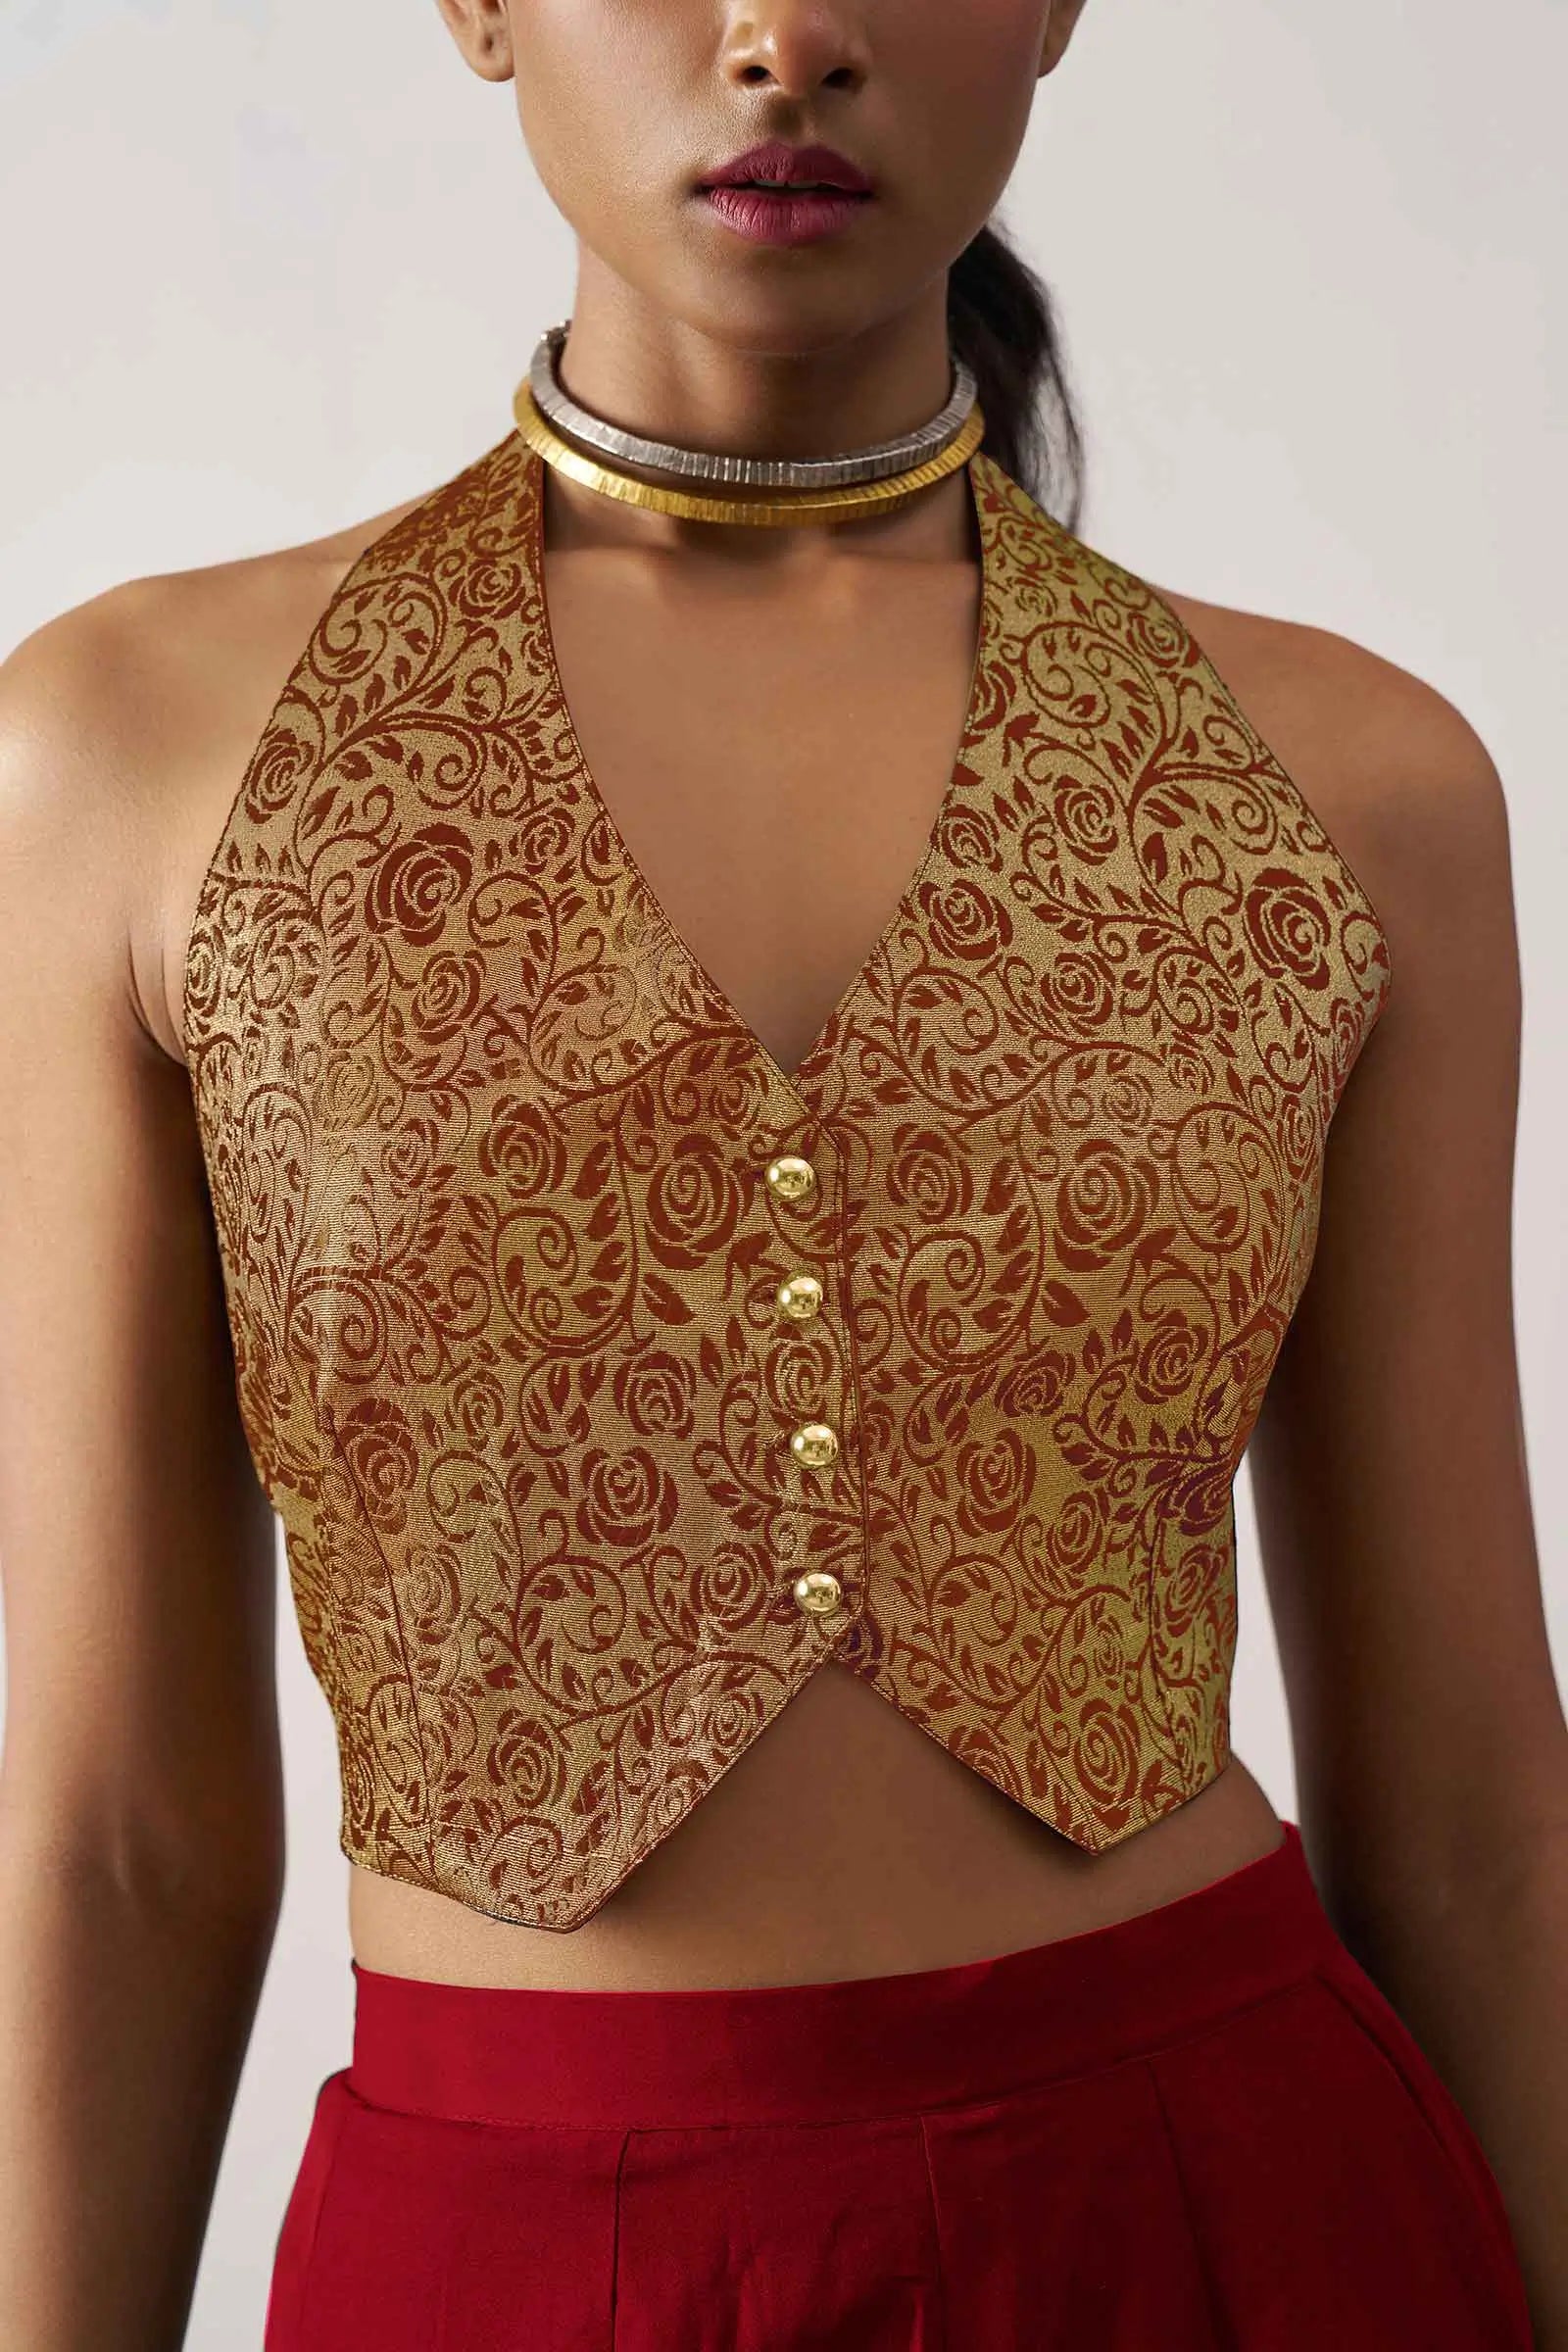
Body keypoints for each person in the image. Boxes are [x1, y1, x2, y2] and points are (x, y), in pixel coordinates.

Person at [0, 0, 1562, 2344]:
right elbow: (120, 1843)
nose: (784, 39)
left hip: (1234, 2221)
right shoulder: (130, 761)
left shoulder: (1350, 791)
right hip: (504, 2268)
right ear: (476, 6)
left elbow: (1466, 1819)